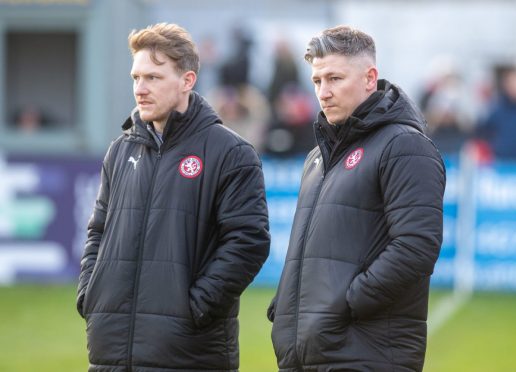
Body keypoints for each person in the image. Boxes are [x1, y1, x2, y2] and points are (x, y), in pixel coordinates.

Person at [76, 23, 270, 371]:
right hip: (110, 353)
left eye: (153, 77)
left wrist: (193, 307)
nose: (140, 88)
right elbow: (97, 232)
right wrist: (90, 295)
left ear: (187, 81)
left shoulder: (231, 152)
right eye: (136, 77)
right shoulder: (120, 150)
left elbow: (248, 241)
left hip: (188, 354)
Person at [268, 26, 446, 371]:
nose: (324, 92)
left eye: (335, 78)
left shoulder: (405, 146)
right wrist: (286, 308)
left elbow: (416, 245)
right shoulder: (317, 157)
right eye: (317, 81)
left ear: (370, 78)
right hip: (307, 353)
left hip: (366, 353)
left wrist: (347, 303)